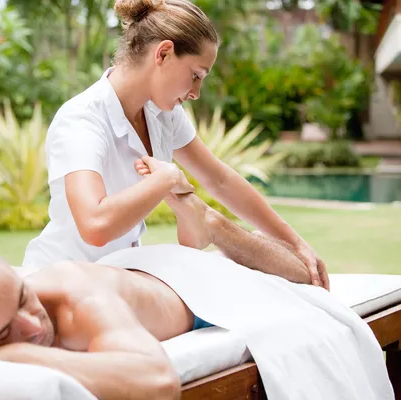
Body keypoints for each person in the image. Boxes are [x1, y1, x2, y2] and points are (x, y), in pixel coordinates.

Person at [0, 185, 313, 400]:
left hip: (193, 286)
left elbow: (157, 382)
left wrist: (12, 349)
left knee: (302, 277)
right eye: (0, 330)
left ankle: (208, 223)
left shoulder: (72, 295)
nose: (32, 324)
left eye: (22, 299)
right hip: (139, 272)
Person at [21, 0, 329, 291]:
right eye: (195, 75)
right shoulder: (83, 121)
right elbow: (95, 225)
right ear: (163, 54)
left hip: (119, 280)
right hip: (63, 280)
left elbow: (219, 179)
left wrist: (293, 241)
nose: (196, 92)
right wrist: (167, 178)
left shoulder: (162, 114)